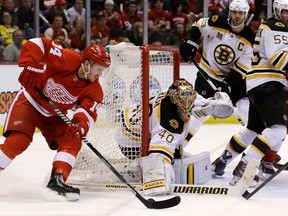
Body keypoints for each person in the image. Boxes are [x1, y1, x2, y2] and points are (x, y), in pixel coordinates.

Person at [0, 37, 111, 201]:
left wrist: (79, 125)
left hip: (53, 114)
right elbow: (39, 44)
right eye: (99, 69)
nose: (100, 74)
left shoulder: (95, 90)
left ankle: (57, 179)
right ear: (87, 64)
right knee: (19, 140)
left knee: (73, 138)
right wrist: (31, 66)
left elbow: (87, 113)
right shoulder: (68, 59)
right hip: (30, 101)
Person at [210, 0, 288, 186]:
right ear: (277, 12)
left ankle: (222, 162)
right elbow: (281, 61)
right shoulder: (277, 27)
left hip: (256, 84)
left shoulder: (270, 27)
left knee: (253, 130)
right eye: (285, 12)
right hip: (268, 83)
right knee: (279, 129)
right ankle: (245, 166)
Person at [116, 78, 234, 196]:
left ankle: (173, 152)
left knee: (187, 121)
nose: (187, 104)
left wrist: (211, 103)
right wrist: (158, 178)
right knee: (164, 155)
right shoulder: (169, 122)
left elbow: (191, 100)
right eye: (183, 100)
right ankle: (137, 170)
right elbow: (159, 152)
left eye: (189, 98)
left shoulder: (173, 94)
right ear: (174, 99)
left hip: (131, 120)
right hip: (130, 143)